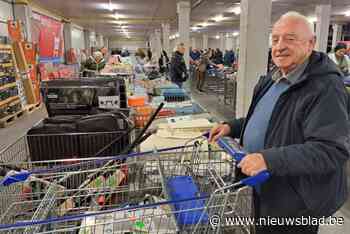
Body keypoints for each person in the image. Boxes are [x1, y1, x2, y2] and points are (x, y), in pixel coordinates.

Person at [209, 11, 349, 234]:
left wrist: (268, 159)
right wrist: (231, 126)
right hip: (266, 185)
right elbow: (272, 120)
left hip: (296, 200)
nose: (280, 46)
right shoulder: (275, 77)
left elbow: (331, 150)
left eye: (290, 39)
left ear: (311, 43)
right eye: (275, 39)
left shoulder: (325, 88)